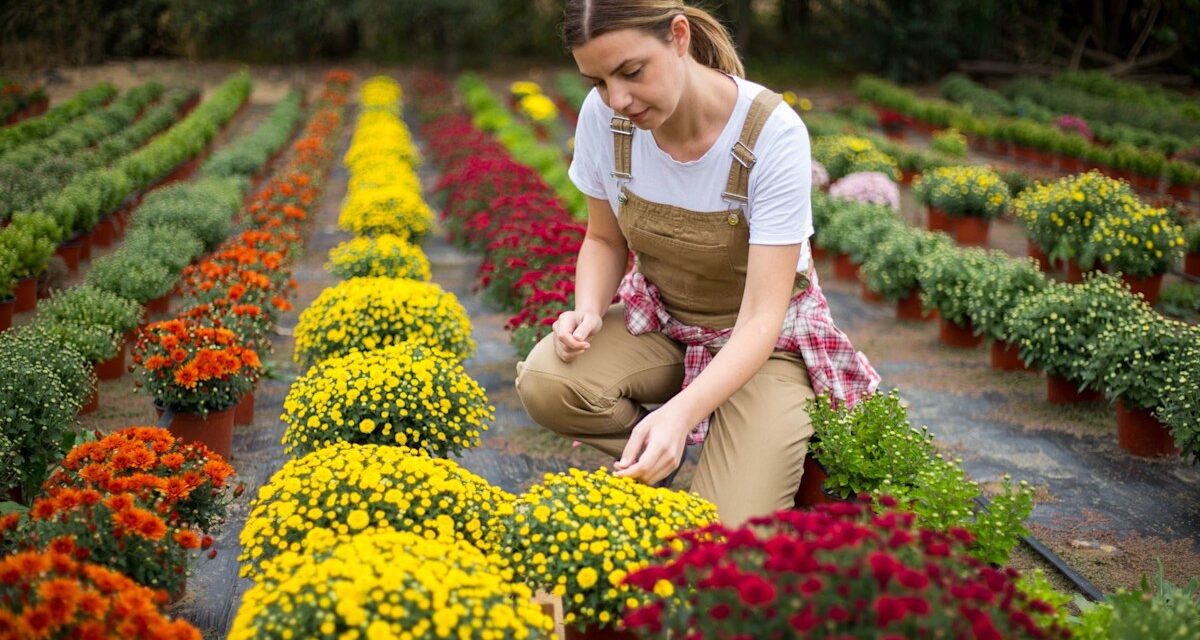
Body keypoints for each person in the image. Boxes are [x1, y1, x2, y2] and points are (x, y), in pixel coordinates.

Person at [515, 0, 879, 526]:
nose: (617, 99)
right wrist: (589, 309)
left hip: (763, 347)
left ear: (678, 36)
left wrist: (680, 414)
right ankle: (673, 459)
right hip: (665, 322)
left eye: (631, 72)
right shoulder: (608, 121)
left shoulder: (768, 134)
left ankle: (739, 453)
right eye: (597, 82)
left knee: (724, 535)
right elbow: (602, 238)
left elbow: (761, 319)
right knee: (548, 381)